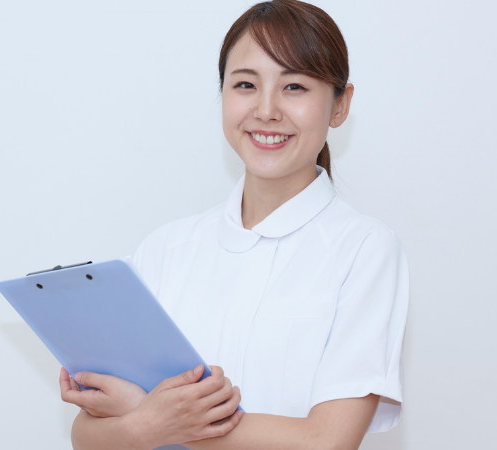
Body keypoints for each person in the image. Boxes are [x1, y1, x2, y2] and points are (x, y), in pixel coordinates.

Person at [58, 1, 409, 449]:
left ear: (340, 106)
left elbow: (327, 441)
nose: (266, 110)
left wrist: (162, 418)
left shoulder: (364, 250)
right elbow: (87, 435)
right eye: (245, 84)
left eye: (295, 86)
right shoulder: (165, 249)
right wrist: (150, 423)